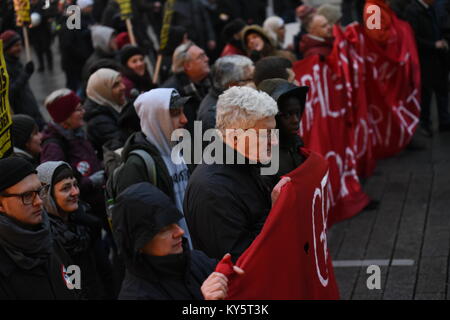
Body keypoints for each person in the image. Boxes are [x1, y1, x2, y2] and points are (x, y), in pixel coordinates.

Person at [184, 86, 290, 261]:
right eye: (266, 134)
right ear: (234, 137)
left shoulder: (249, 163)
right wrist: (275, 212)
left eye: (274, 132)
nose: (275, 141)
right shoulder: (212, 190)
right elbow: (238, 260)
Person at [112, 182, 243, 300]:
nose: (180, 232)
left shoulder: (195, 260)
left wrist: (230, 276)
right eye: (164, 229)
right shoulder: (136, 295)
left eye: (174, 222)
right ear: (139, 244)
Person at [114, 88, 193, 247]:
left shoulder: (183, 149)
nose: (184, 119)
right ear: (156, 118)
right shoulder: (137, 167)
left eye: (183, 112)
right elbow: (136, 228)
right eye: (176, 113)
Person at [0, 157, 77, 299]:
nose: (39, 201)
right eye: (27, 195)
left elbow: (72, 273)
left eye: (40, 191)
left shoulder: (47, 234)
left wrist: (78, 293)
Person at [36, 161, 110, 299]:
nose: (75, 192)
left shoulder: (85, 221)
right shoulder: (44, 238)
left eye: (75, 185)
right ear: (46, 195)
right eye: (66, 188)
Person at [40, 89, 106, 226]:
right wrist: (91, 181)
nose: (83, 112)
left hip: (96, 207)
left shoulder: (77, 134)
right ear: (65, 117)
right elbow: (54, 185)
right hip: (82, 215)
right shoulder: (54, 147)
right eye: (78, 110)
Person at [404, 0, 450, 135]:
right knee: (426, 92)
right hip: (424, 58)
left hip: (438, 56)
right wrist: (432, 45)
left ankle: (444, 120)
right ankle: (424, 123)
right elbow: (377, 35)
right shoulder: (374, 8)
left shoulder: (434, 7)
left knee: (442, 89)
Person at [258, 78, 309, 190]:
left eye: (297, 113)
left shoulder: (296, 142)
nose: (295, 120)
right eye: (287, 115)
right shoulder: (262, 157)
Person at [161, 41, 212, 134]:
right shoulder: (173, 93)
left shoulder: (206, 81)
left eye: (205, 55)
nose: (207, 59)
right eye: (201, 57)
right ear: (187, 66)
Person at [0, 30, 45, 129]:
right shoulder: (4, 68)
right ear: (6, 48)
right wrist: (25, 74)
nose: (19, 48)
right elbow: (10, 92)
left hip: (33, 112)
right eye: (15, 45)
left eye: (20, 44)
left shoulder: (16, 62)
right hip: (22, 116)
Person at [197, 55, 255, 132]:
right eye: (250, 79)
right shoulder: (213, 116)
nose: (254, 83)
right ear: (232, 85)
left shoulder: (233, 102)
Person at [83, 68, 127, 158]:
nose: (123, 87)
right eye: (116, 85)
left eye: (121, 82)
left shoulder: (115, 105)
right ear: (103, 90)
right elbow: (120, 147)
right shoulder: (99, 121)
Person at [58, 0, 94, 92]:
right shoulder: (68, 26)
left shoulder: (74, 23)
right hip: (72, 63)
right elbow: (68, 45)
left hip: (75, 62)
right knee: (75, 86)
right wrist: (82, 55)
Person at [29, 0, 55, 72]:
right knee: (37, 50)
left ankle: (50, 64)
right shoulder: (29, 7)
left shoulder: (43, 5)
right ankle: (41, 65)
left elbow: (49, 14)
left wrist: (42, 18)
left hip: (44, 31)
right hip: (34, 32)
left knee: (46, 48)